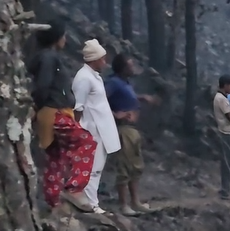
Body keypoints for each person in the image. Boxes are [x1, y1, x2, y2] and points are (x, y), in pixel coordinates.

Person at [28, 22, 96, 212]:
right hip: (53, 110)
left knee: (56, 156)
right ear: (56, 38)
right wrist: (36, 104)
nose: (65, 40)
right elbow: (43, 85)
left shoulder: (44, 57)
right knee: (86, 142)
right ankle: (74, 189)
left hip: (51, 112)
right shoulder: (49, 57)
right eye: (63, 36)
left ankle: (53, 201)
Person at [72, 39, 122, 215]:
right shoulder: (83, 78)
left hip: (100, 127)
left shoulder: (94, 76)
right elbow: (78, 106)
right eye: (102, 59)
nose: (105, 62)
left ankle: (92, 201)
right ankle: (91, 204)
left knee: (97, 166)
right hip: (91, 129)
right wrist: (77, 129)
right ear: (94, 59)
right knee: (92, 167)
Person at [105, 53, 157, 217]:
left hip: (132, 129)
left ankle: (135, 201)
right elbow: (99, 100)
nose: (133, 67)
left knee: (135, 166)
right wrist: (115, 114)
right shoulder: (113, 82)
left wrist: (141, 98)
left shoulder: (126, 83)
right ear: (122, 67)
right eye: (130, 64)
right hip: (123, 129)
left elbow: (127, 98)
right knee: (125, 167)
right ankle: (123, 204)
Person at [212, 75, 230, 196]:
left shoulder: (222, 97)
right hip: (226, 133)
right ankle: (226, 190)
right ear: (226, 85)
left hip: (228, 132)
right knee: (228, 162)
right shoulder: (221, 99)